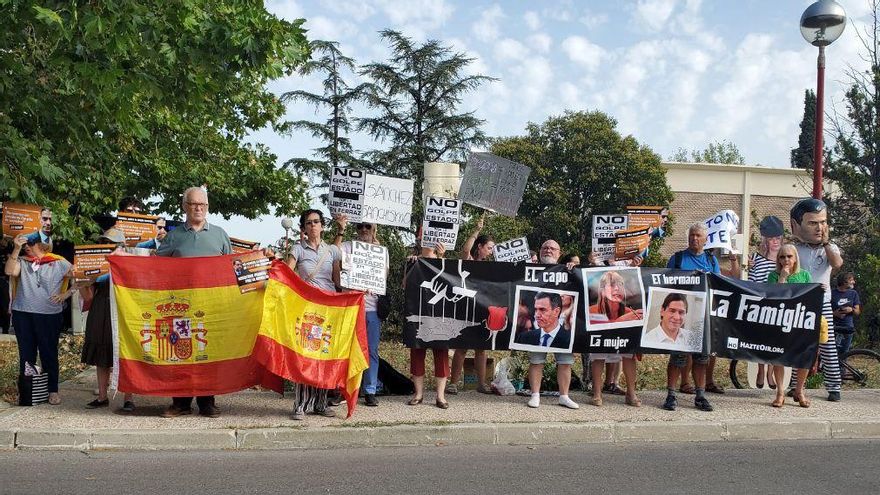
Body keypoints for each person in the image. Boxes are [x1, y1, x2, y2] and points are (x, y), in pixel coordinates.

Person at [156, 186, 232, 418]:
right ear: (184, 207)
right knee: (181, 353)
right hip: (182, 308)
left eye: (202, 204)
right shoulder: (174, 235)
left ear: (207, 207)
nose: (198, 208)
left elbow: (232, 267)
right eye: (193, 204)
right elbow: (156, 267)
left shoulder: (220, 234)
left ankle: (207, 402)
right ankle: (180, 403)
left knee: (208, 354)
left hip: (212, 307)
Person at [5, 233, 74, 405]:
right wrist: (16, 248)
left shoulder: (58, 262)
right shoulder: (22, 261)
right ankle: (28, 392)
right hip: (23, 314)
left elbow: (82, 276)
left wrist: (67, 294)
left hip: (49, 315)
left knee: (48, 353)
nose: (28, 246)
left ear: (43, 245)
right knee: (26, 354)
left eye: (32, 243)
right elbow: (9, 271)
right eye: (26, 243)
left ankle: (52, 390)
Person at [287, 209, 343, 419]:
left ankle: (321, 403)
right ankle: (301, 405)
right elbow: (287, 274)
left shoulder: (332, 251)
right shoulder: (297, 249)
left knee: (324, 355)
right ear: (303, 228)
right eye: (309, 223)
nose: (313, 226)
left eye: (316, 222)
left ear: (322, 225)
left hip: (327, 309)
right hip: (307, 308)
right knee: (306, 355)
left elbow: (338, 282)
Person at [790, 198, 843, 402]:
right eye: (812, 223)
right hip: (800, 303)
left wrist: (827, 243)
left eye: (822, 222)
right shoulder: (794, 249)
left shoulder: (829, 248)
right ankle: (795, 385)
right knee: (798, 345)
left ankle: (834, 386)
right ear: (796, 225)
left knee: (827, 344)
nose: (819, 227)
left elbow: (837, 263)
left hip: (823, 303)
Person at [663, 223, 718, 412]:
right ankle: (671, 395)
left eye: (698, 236)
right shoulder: (677, 258)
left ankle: (700, 395)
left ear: (705, 239)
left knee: (701, 359)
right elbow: (664, 283)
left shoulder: (711, 260)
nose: (694, 239)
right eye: (692, 235)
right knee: (677, 358)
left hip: (702, 316)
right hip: (679, 317)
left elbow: (718, 286)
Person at [334, 215, 388, 407]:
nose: (363, 229)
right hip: (352, 306)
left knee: (371, 350)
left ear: (373, 228)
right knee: (348, 350)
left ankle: (370, 390)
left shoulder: (382, 251)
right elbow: (334, 253)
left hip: (372, 308)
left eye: (367, 226)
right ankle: (345, 389)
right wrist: (341, 228)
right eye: (360, 226)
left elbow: (383, 277)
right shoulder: (348, 246)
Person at [80, 228, 135, 412]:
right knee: (101, 354)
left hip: (123, 310)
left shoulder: (130, 262)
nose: (107, 248)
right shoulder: (97, 265)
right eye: (105, 243)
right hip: (100, 309)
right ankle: (102, 397)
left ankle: (128, 399)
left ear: (122, 246)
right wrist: (80, 281)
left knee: (126, 353)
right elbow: (88, 297)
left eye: (112, 244)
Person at [523, 240, 578, 410]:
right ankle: (535, 394)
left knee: (565, 361)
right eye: (545, 248)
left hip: (561, 328)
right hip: (538, 328)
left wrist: (574, 269)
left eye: (552, 248)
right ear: (540, 251)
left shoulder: (567, 270)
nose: (548, 251)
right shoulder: (529, 269)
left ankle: (564, 396)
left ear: (559, 253)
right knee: (536, 361)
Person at [449, 214, 494, 396]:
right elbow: (465, 250)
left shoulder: (492, 267)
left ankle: (481, 384)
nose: (491, 251)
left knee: (481, 349)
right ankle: (453, 383)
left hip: (483, 310)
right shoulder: (469, 262)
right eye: (489, 248)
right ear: (480, 247)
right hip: (466, 309)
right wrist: (476, 230)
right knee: (461, 347)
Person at [405, 241, 451, 409]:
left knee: (441, 354)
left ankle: (440, 396)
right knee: (417, 352)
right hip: (417, 313)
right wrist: (413, 265)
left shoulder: (444, 262)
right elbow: (405, 285)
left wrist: (441, 258)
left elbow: (449, 285)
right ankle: (418, 394)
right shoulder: (412, 261)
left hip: (439, 315)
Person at [767, 244, 812, 408]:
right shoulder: (773, 276)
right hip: (781, 321)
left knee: (803, 357)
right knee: (780, 357)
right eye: (782, 257)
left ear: (795, 258)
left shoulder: (805, 275)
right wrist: (782, 278)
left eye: (789, 256)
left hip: (800, 322)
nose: (786, 260)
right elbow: (773, 298)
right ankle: (780, 392)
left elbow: (810, 298)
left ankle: (799, 391)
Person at [748, 215, 784, 389]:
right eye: (771, 239)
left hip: (778, 306)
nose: (775, 242)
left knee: (775, 342)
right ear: (765, 240)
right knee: (761, 341)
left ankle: (771, 372)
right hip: (761, 304)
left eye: (778, 238)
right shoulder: (756, 258)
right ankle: (761, 370)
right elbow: (752, 280)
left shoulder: (784, 259)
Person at [831, 271, 860, 367]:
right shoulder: (831, 293)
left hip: (847, 327)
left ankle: (842, 376)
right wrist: (834, 313)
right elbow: (823, 311)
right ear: (844, 282)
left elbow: (857, 312)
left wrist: (851, 309)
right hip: (833, 327)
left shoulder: (853, 293)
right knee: (831, 352)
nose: (854, 282)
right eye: (852, 280)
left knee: (844, 353)